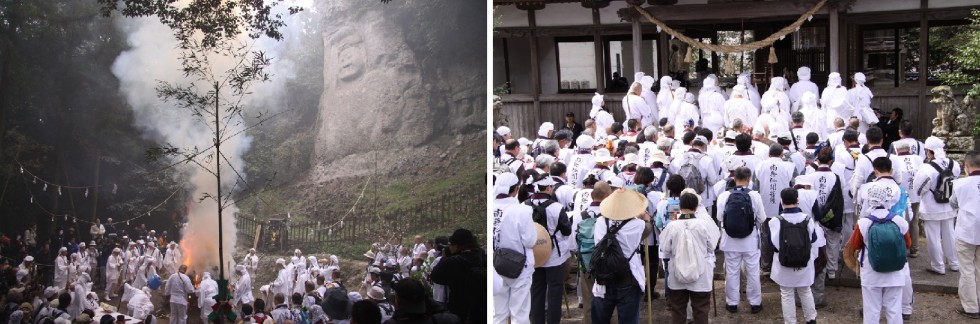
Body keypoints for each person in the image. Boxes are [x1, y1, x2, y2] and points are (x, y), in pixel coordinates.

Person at [844, 181, 911, 324]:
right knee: (894, 310)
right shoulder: (899, 221)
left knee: (872, 310)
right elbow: (908, 244)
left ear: (869, 200)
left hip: (871, 272)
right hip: (895, 273)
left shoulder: (863, 223)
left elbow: (855, 245)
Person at [591, 189, 652, 324]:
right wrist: (647, 220)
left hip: (603, 277)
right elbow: (647, 230)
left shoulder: (601, 222)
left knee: (599, 319)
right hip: (627, 278)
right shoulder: (638, 225)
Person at [659, 191, 719, 324]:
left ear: (680, 206)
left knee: (678, 310)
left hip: (677, 273)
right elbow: (711, 246)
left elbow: (665, 248)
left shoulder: (672, 226)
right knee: (701, 309)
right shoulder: (703, 225)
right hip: (701, 272)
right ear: (696, 207)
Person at [768, 188, 824, 324]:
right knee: (805, 290)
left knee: (786, 293)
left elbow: (773, 244)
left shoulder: (775, 221)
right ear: (797, 201)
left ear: (781, 202)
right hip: (803, 262)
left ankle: (790, 321)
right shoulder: (807, 219)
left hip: (784, 263)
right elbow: (813, 239)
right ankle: (811, 319)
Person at [717, 166, 767, 314]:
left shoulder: (724, 195)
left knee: (732, 271)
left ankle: (732, 303)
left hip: (730, 240)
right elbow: (762, 218)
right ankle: (755, 303)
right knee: (752, 271)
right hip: (750, 240)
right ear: (748, 179)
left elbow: (720, 217)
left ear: (734, 178)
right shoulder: (754, 195)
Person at [525, 174, 571, 324]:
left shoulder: (524, 205)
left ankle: (536, 321)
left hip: (533, 254)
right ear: (549, 188)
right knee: (554, 292)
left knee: (536, 291)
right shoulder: (556, 208)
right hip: (553, 256)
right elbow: (566, 231)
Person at [913, 136, 961, 275]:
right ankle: (954, 263)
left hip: (931, 207)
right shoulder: (955, 164)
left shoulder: (927, 167)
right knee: (950, 235)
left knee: (933, 237)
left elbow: (918, 188)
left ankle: (938, 266)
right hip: (949, 206)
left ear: (929, 151)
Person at [491, 173, 536, 324]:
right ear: (515, 190)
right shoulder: (522, 210)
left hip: (495, 266)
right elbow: (530, 241)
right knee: (520, 313)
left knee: (498, 314)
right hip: (519, 266)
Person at [754, 143, 796, 274]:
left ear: (769, 154)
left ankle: (766, 266)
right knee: (784, 235)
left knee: (765, 235)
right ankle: (783, 263)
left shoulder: (760, 165)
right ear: (782, 154)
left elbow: (756, 186)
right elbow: (793, 185)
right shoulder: (788, 166)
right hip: (784, 206)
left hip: (765, 205)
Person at [430, 229, 485, 323]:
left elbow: (435, 276)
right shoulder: (482, 257)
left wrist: (445, 257)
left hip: (460, 310)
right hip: (482, 310)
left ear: (456, 246)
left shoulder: (455, 261)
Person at [952, 151, 980, 318]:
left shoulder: (960, 184)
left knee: (967, 269)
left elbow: (953, 202)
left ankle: (971, 307)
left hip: (967, 230)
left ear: (967, 166)